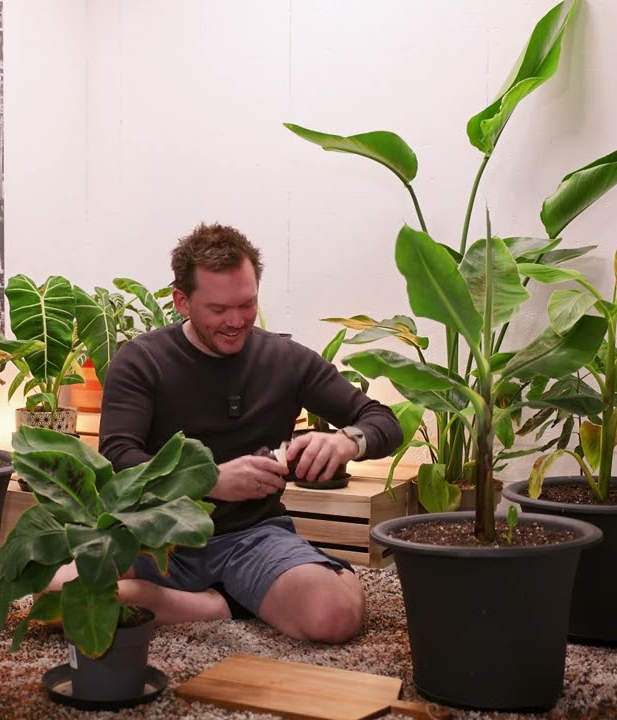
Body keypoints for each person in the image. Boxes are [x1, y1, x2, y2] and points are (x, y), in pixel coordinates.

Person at [93, 222, 402, 644]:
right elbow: (118, 460)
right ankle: (221, 605)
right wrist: (211, 480)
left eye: (247, 304)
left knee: (334, 618)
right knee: (55, 591)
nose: (236, 321)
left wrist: (347, 440)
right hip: (156, 536)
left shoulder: (286, 360)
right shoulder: (143, 360)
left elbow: (383, 420)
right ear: (181, 301)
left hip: (252, 538)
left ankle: (227, 595)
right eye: (218, 310)